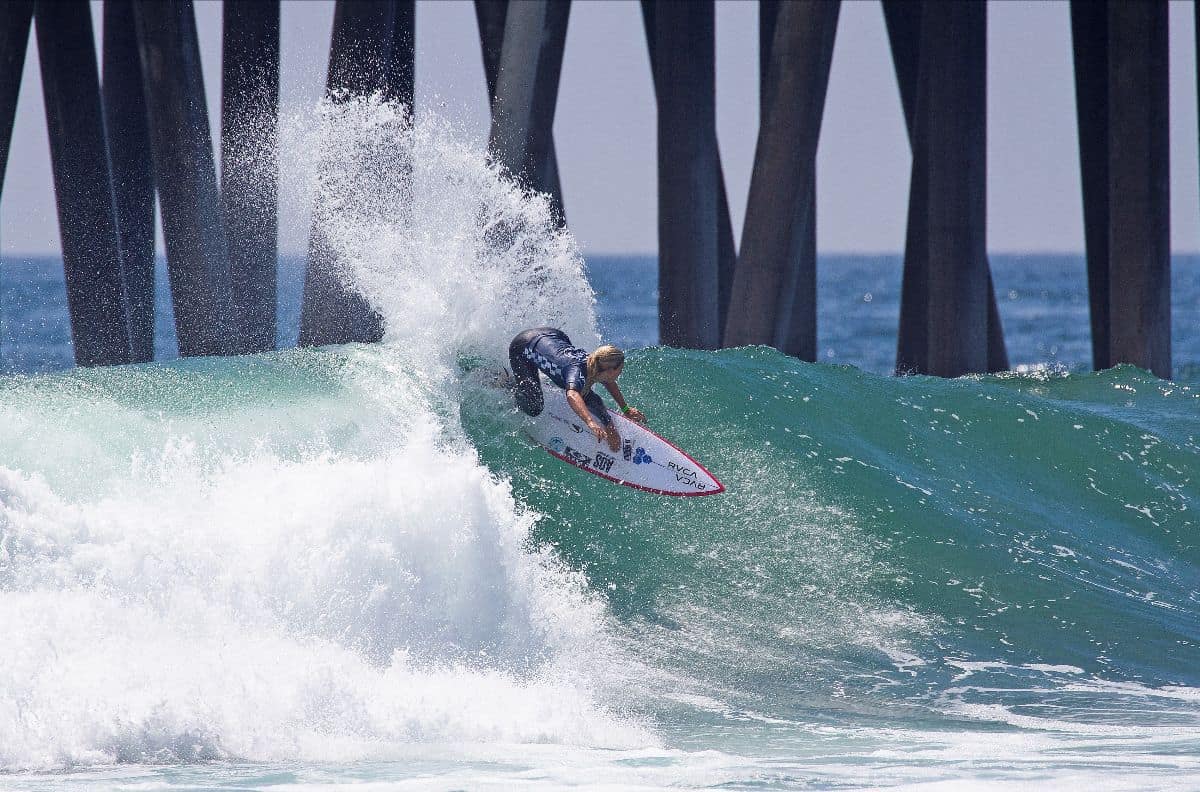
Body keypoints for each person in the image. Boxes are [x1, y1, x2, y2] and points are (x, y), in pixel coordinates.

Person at [508, 327, 645, 451]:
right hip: (523, 346)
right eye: (619, 370)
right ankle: (509, 385)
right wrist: (590, 422)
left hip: (552, 335)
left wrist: (625, 409)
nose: (620, 373)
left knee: (586, 395)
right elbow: (572, 395)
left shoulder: (596, 364)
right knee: (534, 407)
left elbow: (608, 381)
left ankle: (607, 423)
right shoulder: (577, 372)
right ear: (610, 370)